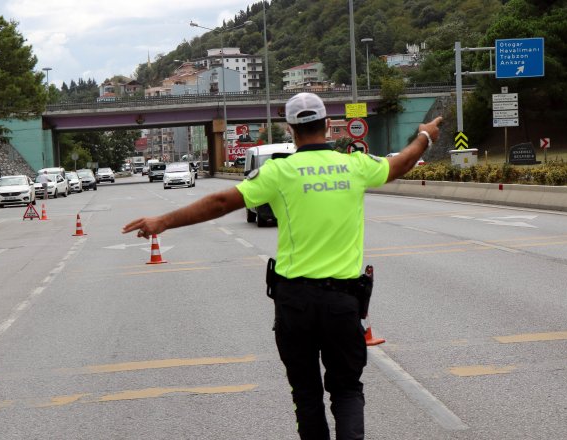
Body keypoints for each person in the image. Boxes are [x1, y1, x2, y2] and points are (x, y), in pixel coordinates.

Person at [123, 92, 442, 439]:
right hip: (343, 303)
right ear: (327, 125)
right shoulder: (355, 166)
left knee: (306, 395)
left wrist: (164, 221)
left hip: (296, 304)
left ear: (290, 129)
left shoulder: (278, 171)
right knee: (347, 390)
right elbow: (401, 164)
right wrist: (425, 135)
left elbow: (219, 202)